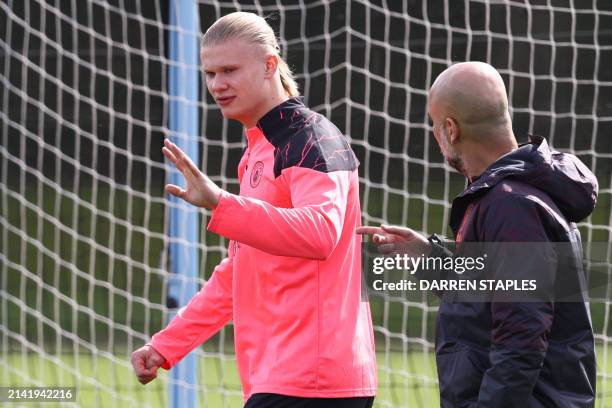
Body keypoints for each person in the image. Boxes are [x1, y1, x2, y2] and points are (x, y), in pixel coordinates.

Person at [130, 12, 377, 408]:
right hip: (280, 378)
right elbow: (238, 272)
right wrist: (166, 345)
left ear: (269, 65)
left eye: (229, 70)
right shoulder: (257, 151)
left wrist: (220, 203)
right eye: (210, 73)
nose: (217, 84)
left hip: (315, 380)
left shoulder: (311, 139)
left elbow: (320, 233)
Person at [358, 62, 598, 407]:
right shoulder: (509, 197)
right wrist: (429, 257)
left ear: (450, 129)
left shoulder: (511, 205)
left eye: (433, 123)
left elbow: (522, 333)